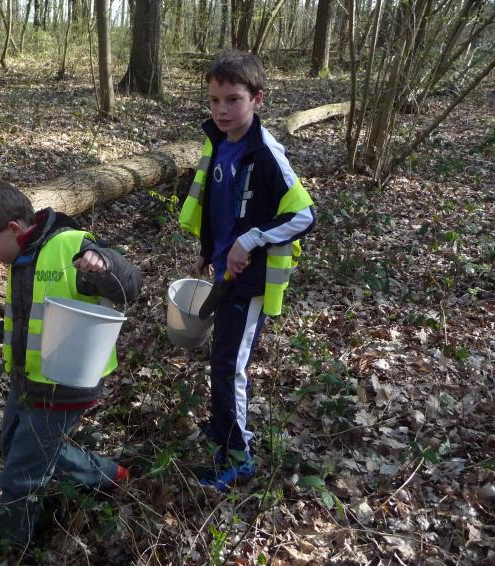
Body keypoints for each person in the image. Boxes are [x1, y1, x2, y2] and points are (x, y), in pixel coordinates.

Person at [0, 179, 140, 546]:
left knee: (21, 475)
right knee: (15, 447)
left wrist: (103, 264)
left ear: (13, 229)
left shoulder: (70, 246)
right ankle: (107, 474)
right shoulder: (23, 256)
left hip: (64, 384)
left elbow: (131, 285)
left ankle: (11, 547)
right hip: (27, 380)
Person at [178, 50, 316, 491]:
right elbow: (215, 205)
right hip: (223, 270)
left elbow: (305, 216)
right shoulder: (217, 140)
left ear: (257, 100)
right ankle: (222, 433)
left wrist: (249, 240)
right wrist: (208, 250)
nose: (221, 109)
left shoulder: (266, 153)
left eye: (233, 99)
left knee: (229, 365)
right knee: (219, 360)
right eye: (215, 99)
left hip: (250, 279)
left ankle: (238, 456)